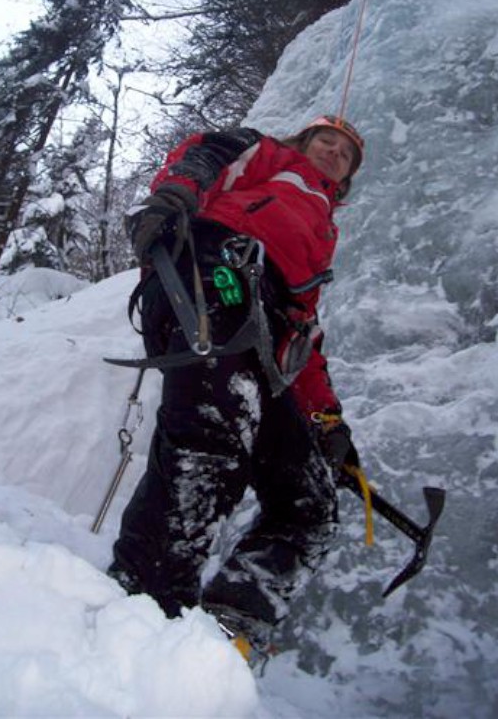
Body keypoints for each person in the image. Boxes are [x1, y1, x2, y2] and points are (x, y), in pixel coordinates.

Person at [108, 115, 365, 652]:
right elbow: (206, 152)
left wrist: (327, 418)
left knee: (309, 507)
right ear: (303, 141)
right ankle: (141, 613)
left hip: (263, 326)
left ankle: (228, 631)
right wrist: (175, 195)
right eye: (327, 140)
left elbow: (303, 334)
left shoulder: (323, 231)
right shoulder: (269, 156)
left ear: (345, 180)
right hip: (209, 268)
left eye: (346, 153)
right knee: (210, 442)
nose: (334, 152)